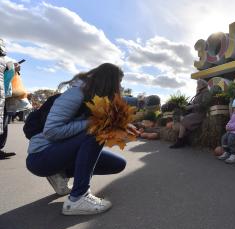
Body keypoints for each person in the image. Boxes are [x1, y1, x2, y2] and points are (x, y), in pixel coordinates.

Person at [26, 63, 138, 215]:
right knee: (95, 131)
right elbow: (51, 131)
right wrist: (94, 123)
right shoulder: (76, 95)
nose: (119, 88)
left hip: (58, 152)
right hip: (40, 156)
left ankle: (60, 173)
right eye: (118, 83)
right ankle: (78, 198)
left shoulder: (96, 98)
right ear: (108, 82)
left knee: (118, 164)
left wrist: (121, 129)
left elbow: (87, 142)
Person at [169, 79, 211, 148]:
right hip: (194, 113)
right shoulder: (199, 93)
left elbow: (204, 105)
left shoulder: (206, 93)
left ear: (203, 85)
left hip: (200, 114)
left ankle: (180, 141)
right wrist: (187, 106)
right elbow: (194, 103)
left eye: (198, 84)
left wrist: (191, 106)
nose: (197, 86)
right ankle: (184, 139)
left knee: (185, 120)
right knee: (181, 119)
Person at [0, 39, 16, 159]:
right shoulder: (6, 61)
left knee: (3, 121)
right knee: (3, 122)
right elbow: (8, 77)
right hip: (2, 95)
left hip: (3, 94)